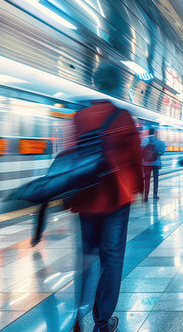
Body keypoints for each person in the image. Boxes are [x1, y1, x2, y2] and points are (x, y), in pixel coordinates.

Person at [66, 97, 142, 332]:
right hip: (116, 198)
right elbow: (134, 157)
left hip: (85, 199)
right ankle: (102, 323)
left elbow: (70, 154)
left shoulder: (79, 116)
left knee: (86, 258)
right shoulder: (122, 116)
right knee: (112, 260)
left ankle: (78, 315)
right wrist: (140, 188)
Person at [140, 128, 166, 202]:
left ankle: (146, 195)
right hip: (156, 163)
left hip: (146, 163)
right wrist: (156, 154)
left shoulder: (144, 140)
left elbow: (141, 151)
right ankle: (155, 195)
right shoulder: (160, 142)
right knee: (155, 179)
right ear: (155, 133)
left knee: (147, 179)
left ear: (148, 132)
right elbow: (162, 152)